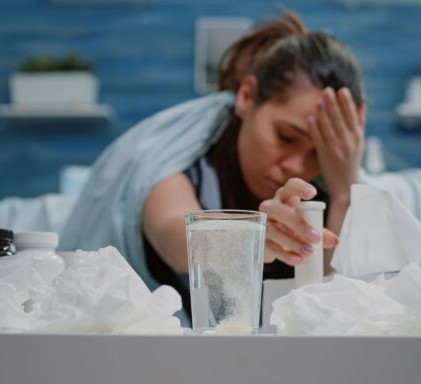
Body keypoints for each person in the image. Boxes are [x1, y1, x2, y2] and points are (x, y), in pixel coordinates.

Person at [139, 11, 366, 313]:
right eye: (286, 136)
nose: (297, 167)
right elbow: (175, 236)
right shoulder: (181, 169)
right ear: (246, 97)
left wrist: (343, 192)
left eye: (317, 153)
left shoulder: (324, 187)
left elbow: (336, 298)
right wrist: (252, 239)